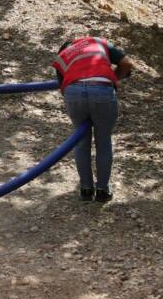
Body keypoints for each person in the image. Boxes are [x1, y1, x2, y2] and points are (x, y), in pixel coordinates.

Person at [51, 36, 134, 202]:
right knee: (103, 141)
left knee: (81, 141)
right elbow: (127, 64)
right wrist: (115, 79)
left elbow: (63, 88)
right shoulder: (99, 42)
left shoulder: (63, 55)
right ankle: (103, 190)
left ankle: (86, 190)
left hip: (73, 93)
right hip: (102, 90)